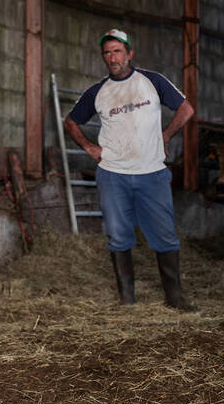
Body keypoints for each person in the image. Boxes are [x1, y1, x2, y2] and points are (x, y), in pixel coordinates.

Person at [64, 29, 195, 311]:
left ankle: (175, 298)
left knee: (164, 234)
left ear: (129, 54)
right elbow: (71, 122)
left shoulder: (152, 81)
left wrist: (167, 134)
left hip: (152, 173)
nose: (113, 57)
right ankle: (127, 299)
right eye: (108, 52)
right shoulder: (98, 91)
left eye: (118, 51)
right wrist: (89, 147)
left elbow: (186, 109)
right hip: (113, 174)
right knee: (118, 233)